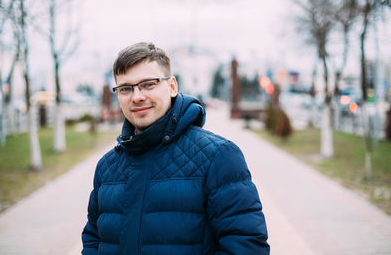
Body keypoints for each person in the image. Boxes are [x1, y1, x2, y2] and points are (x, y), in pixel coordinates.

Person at [81, 42, 270, 255]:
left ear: (172, 86)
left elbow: (246, 246)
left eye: (148, 84)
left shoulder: (219, 156)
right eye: (126, 88)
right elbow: (93, 238)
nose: (137, 97)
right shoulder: (107, 167)